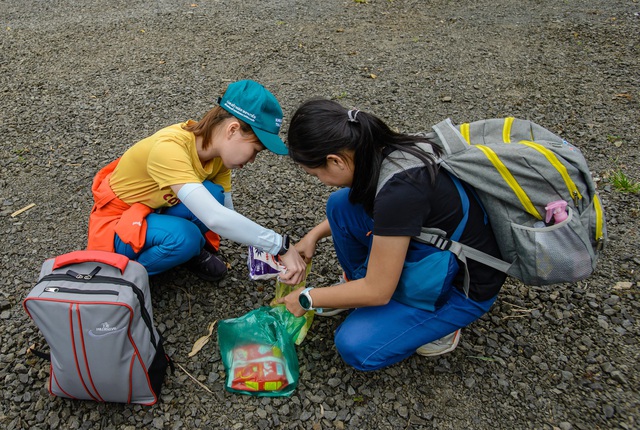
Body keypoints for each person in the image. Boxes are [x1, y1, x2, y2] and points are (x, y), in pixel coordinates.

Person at [277, 99, 507, 371]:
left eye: (316, 174)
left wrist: (309, 297)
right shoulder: (379, 150)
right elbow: (382, 217)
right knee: (340, 205)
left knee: (355, 345)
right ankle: (355, 288)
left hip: (463, 284)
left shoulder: (399, 192)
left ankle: (441, 327)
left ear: (336, 160)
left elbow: (378, 291)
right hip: (433, 248)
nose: (320, 181)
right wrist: (313, 236)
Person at [87, 80, 306, 285]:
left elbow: (226, 211)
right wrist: (280, 246)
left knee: (214, 194)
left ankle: (181, 250)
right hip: (118, 221)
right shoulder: (169, 149)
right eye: (254, 150)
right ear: (232, 130)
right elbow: (215, 218)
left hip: (155, 209)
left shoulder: (217, 155)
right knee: (187, 237)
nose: (251, 160)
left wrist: (264, 250)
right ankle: (125, 279)